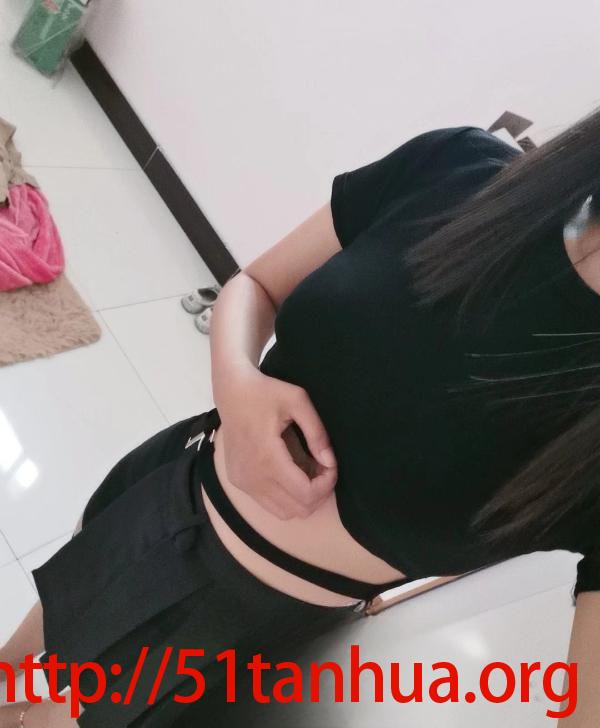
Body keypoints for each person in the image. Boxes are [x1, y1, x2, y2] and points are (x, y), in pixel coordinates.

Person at [3, 113, 600, 727]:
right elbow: (257, 284)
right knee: (22, 653)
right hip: (169, 479)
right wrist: (236, 383)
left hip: (223, 638)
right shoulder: (460, 165)